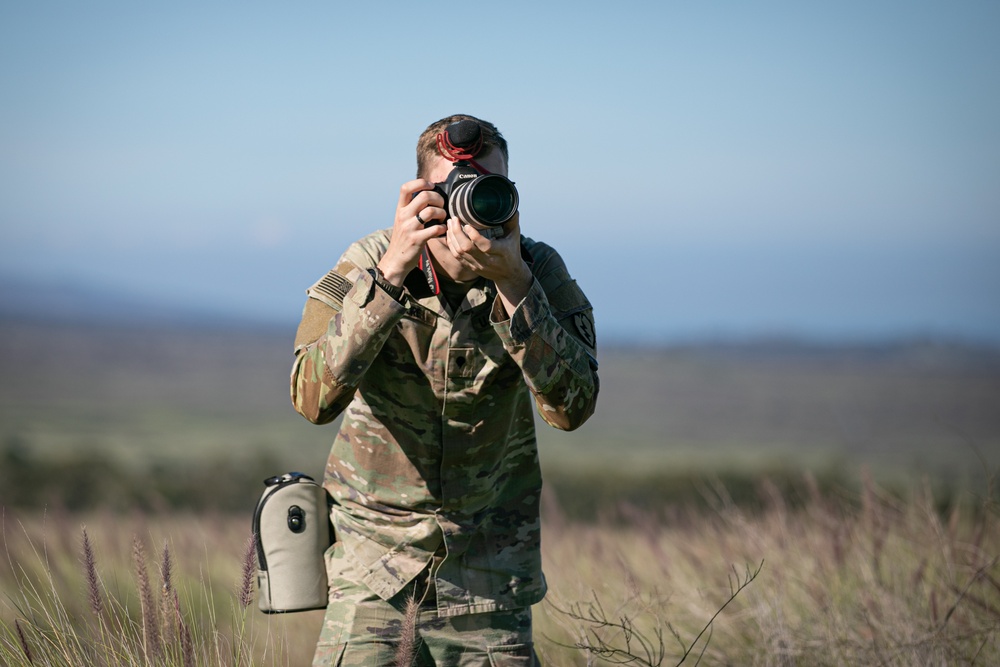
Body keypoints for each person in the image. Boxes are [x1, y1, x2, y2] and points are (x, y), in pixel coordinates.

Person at [290, 114, 599, 666]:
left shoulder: (535, 269)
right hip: (372, 572)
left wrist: (514, 285)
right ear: (417, 195)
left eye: (489, 188)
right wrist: (389, 278)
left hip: (489, 581)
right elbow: (312, 400)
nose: (471, 205)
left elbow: (573, 407)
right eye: (452, 190)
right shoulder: (369, 263)